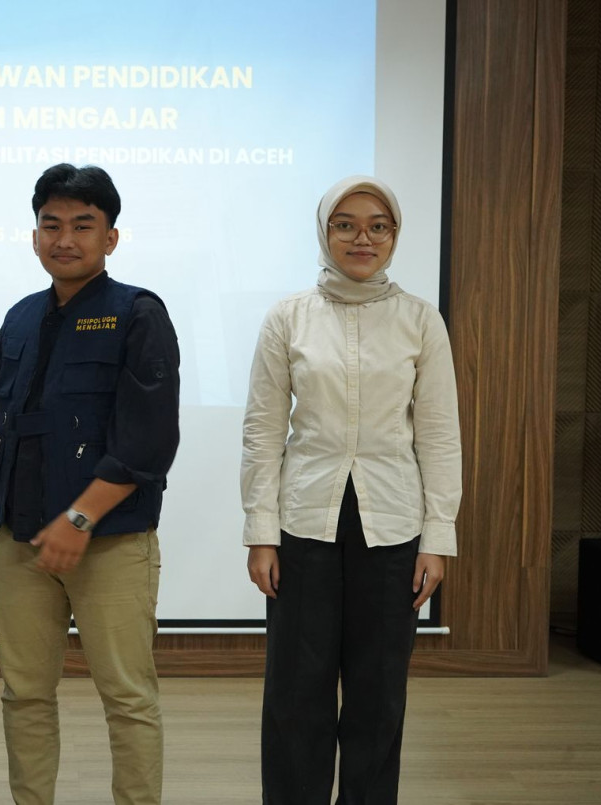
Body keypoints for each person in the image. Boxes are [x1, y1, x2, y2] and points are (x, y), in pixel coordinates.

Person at [0, 163, 181, 805]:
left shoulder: (138, 313)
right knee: (24, 694)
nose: (65, 239)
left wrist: (79, 519)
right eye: (51, 224)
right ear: (34, 235)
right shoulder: (21, 317)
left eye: (83, 225)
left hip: (110, 541)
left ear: (110, 237)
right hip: (21, 539)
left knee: (127, 698)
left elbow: (147, 445)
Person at [241, 175, 462, 804]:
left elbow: (439, 436)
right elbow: (262, 432)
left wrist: (438, 538)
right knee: (295, 692)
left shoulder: (421, 320)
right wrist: (260, 533)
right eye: (346, 225)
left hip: (393, 526)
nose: (362, 238)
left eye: (377, 226)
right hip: (303, 524)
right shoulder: (288, 318)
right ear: (324, 231)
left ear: (394, 236)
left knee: (379, 693)